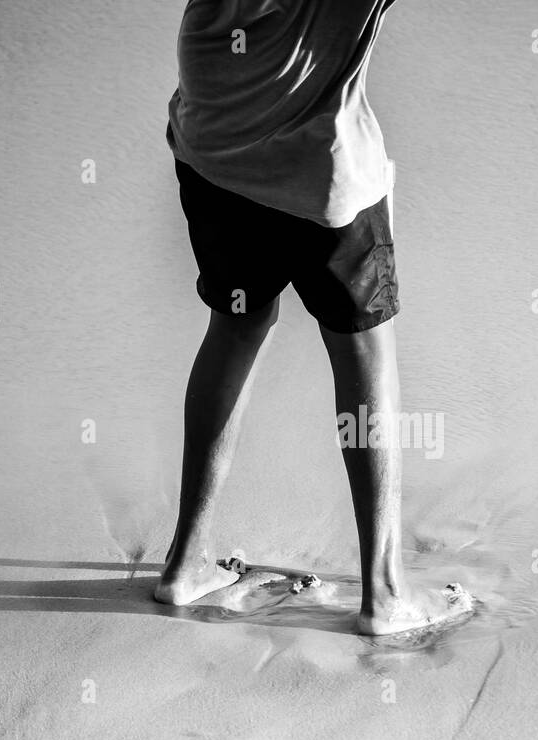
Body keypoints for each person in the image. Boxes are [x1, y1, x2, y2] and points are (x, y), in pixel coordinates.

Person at [156, 0, 472, 641]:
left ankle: (187, 563)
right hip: (320, 168)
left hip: (213, 142)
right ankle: (384, 595)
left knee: (236, 324)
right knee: (365, 353)